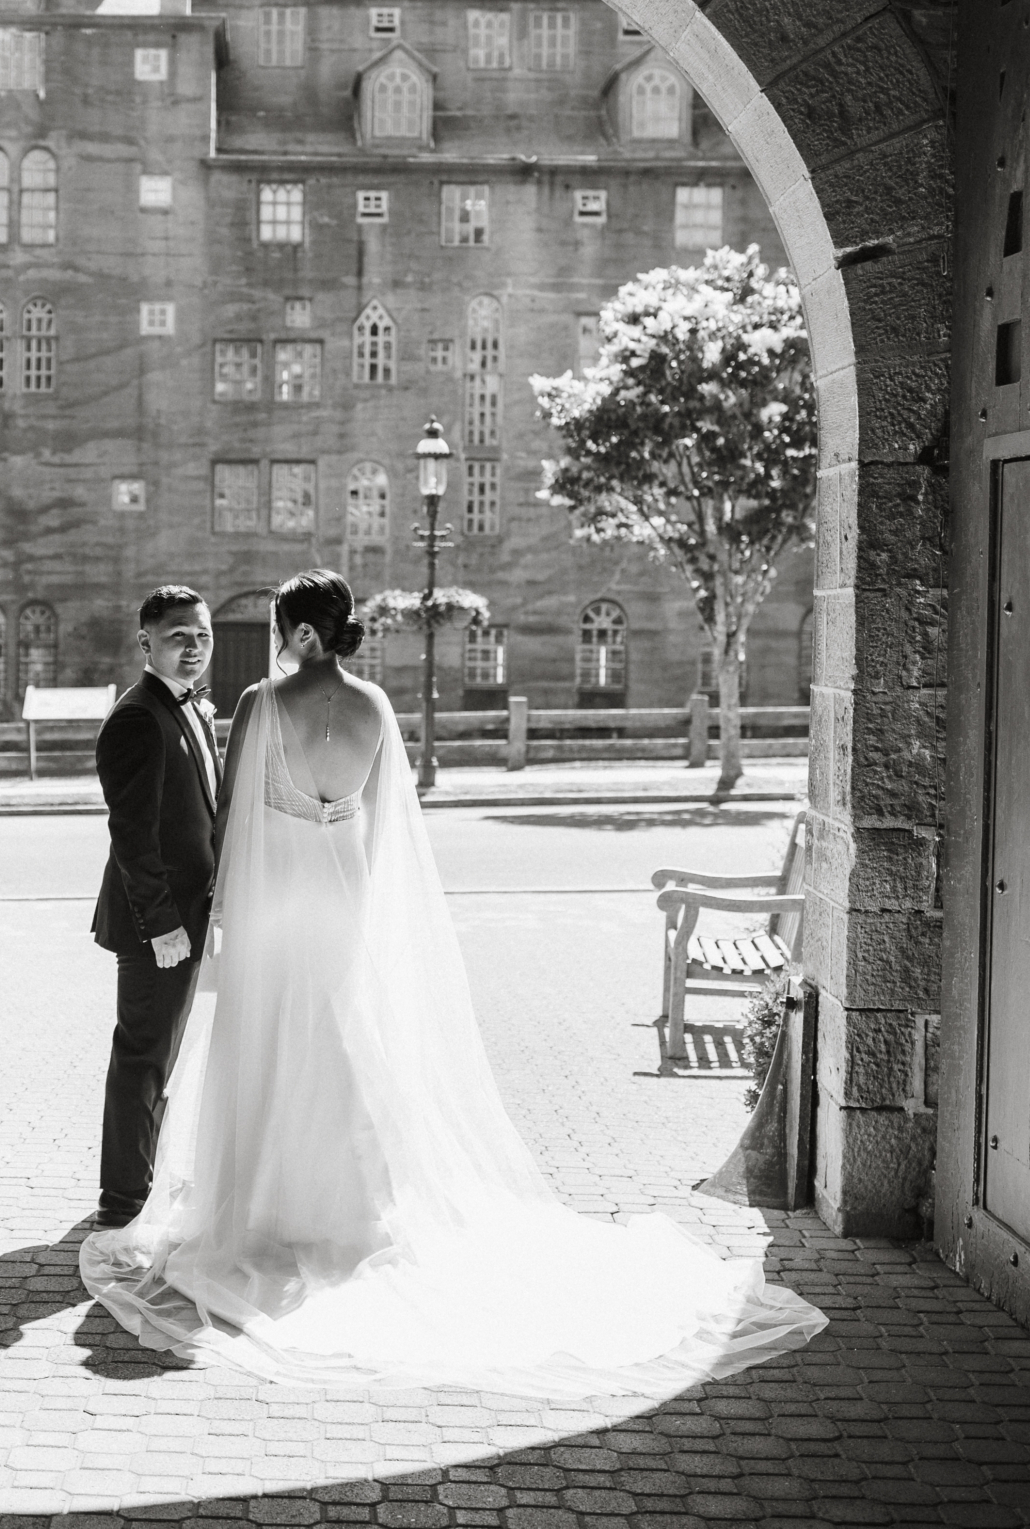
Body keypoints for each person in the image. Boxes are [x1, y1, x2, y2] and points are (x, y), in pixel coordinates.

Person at [80, 569, 827, 1396]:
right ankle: (345, 1206)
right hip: (338, 902)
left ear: (299, 634)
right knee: (336, 1042)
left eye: (275, 626)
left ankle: (257, 1203)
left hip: (275, 907)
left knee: (266, 1043)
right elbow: (379, 831)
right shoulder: (374, 711)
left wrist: (228, 904)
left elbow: (235, 825)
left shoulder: (259, 704)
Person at [89, 585, 223, 1230]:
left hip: (187, 915)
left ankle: (139, 1178)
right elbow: (132, 833)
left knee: (159, 1054)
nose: (193, 647)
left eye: (201, 635)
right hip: (157, 924)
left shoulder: (190, 709)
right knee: (141, 1055)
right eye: (178, 636)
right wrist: (163, 923)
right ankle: (122, 1201)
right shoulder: (138, 716)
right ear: (146, 643)